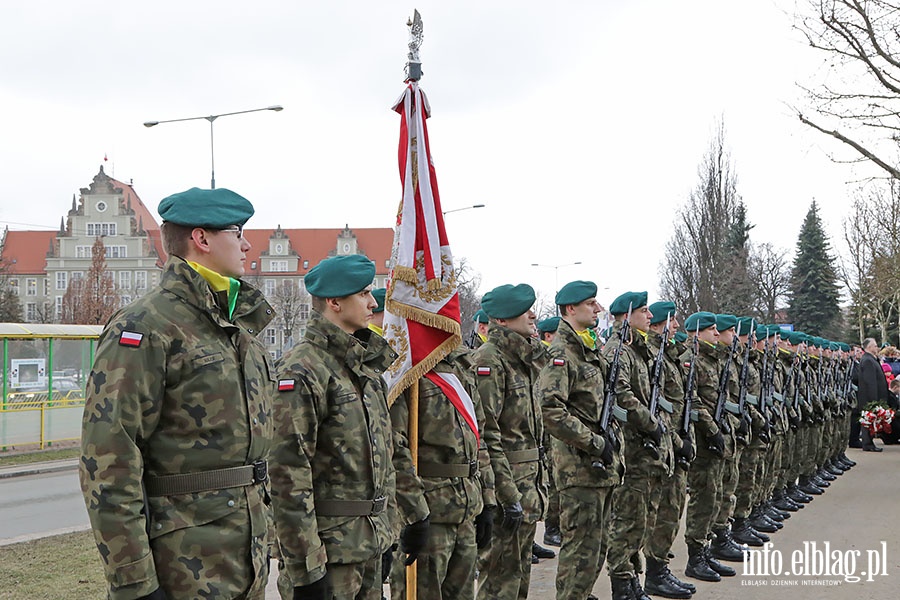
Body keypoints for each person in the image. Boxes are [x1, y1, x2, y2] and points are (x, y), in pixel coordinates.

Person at [79, 187, 276, 600]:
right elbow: (109, 460)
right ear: (201, 239)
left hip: (244, 559)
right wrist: (134, 581)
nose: (247, 244)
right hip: (184, 567)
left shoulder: (237, 330)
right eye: (236, 232)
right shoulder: (146, 325)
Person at [269, 254, 400, 599]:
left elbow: (384, 455)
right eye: (363, 294)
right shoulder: (303, 369)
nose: (373, 302)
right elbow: (287, 474)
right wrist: (305, 565)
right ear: (334, 302)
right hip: (329, 554)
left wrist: (389, 532)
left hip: (367, 543)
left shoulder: (364, 369)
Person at [537, 280, 625, 600]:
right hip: (579, 467)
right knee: (581, 549)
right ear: (570, 309)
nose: (598, 309)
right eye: (591, 303)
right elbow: (551, 411)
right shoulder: (561, 353)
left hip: (598, 466)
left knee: (597, 545)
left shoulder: (586, 348)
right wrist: (594, 442)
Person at [388, 345, 494, 600]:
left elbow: (479, 438)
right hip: (430, 513)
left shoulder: (460, 369)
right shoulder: (406, 370)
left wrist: (488, 500)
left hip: (466, 511)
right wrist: (414, 514)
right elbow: (394, 447)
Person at [472, 283, 548, 600]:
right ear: (501, 320)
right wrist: (503, 493)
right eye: (524, 309)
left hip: (527, 485)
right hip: (508, 487)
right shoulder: (490, 361)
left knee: (518, 578)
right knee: (499, 579)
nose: (533, 314)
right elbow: (487, 435)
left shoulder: (524, 359)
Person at [603, 291, 673, 600]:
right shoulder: (617, 351)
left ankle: (632, 579)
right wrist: (651, 423)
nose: (649, 316)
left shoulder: (639, 351)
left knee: (640, 521)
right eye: (643, 311)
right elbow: (622, 397)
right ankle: (621, 583)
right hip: (631, 450)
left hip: (645, 450)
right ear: (626, 315)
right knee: (626, 520)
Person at [856, 337, 889, 452]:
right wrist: (874, 399)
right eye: (875, 345)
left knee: (871, 421)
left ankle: (869, 442)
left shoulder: (871, 359)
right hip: (869, 397)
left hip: (873, 396)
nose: (877, 347)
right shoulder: (868, 360)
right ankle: (867, 443)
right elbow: (870, 382)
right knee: (868, 420)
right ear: (869, 347)